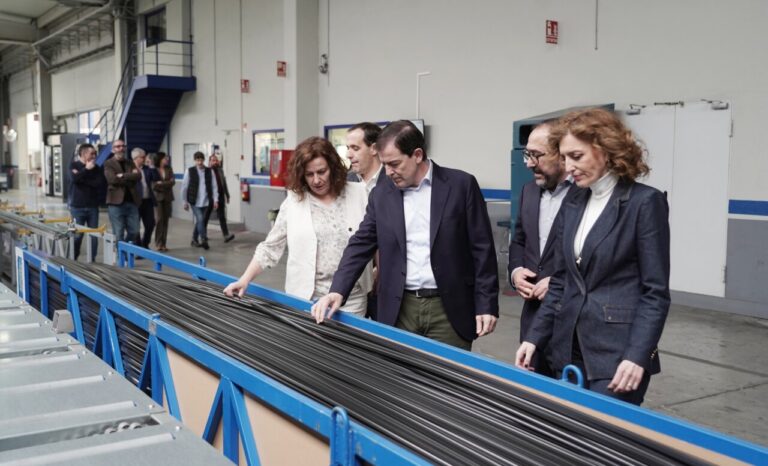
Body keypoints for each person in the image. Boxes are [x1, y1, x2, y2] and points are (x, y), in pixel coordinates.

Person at [515, 108, 670, 406]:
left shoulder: (644, 203)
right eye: (564, 158)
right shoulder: (575, 200)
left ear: (607, 149)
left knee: (603, 431)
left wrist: (637, 356)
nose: (569, 167)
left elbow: (655, 293)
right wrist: (533, 338)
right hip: (567, 345)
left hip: (617, 354)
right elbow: (560, 281)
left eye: (577, 156)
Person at [311, 120, 499, 350]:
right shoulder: (382, 194)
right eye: (384, 164)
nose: (388, 172)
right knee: (399, 371)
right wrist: (337, 290)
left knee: (446, 371)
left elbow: (482, 249)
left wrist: (487, 304)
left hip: (449, 309)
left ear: (417, 155)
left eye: (395, 164)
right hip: (399, 307)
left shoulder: (461, 185)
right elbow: (360, 244)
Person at [224, 137, 372, 315]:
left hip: (351, 298)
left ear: (333, 167)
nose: (316, 180)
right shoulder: (294, 202)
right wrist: (244, 280)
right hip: (307, 297)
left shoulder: (359, 193)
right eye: (309, 174)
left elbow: (374, 238)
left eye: (322, 172)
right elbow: (270, 248)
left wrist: (378, 273)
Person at [508, 122, 576, 376]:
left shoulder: (585, 195)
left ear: (562, 154)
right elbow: (519, 241)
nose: (529, 163)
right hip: (534, 317)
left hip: (572, 321)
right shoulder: (529, 191)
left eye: (536, 155)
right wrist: (516, 272)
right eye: (527, 154)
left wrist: (560, 281)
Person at [69, 143, 105, 260]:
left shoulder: (97, 168)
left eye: (95, 153)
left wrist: (82, 178)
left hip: (92, 207)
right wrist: (86, 170)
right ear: (83, 154)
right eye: (92, 154)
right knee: (77, 235)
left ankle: (92, 259)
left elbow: (98, 183)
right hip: (77, 207)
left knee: (93, 235)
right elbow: (74, 179)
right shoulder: (73, 165)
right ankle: (73, 258)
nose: (94, 156)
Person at [104, 139, 141, 243]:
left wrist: (123, 175)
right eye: (118, 146)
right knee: (118, 233)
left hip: (132, 202)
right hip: (116, 203)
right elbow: (112, 179)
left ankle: (123, 248)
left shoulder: (130, 162)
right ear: (113, 150)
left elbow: (138, 176)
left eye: (123, 146)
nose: (121, 148)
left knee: (135, 231)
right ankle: (120, 252)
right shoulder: (108, 163)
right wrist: (130, 178)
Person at [181, 151, 218, 250]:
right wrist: (184, 201)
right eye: (197, 160)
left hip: (206, 201)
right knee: (200, 219)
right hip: (194, 201)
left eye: (201, 160)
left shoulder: (210, 171)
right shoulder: (189, 171)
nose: (200, 162)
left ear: (204, 160)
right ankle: (204, 239)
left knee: (200, 221)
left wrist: (216, 200)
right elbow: (184, 187)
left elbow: (214, 186)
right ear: (195, 161)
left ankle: (194, 239)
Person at [204, 153, 235, 243]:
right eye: (213, 160)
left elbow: (224, 183)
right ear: (209, 162)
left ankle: (226, 235)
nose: (215, 162)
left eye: (216, 160)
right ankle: (203, 235)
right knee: (206, 216)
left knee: (222, 216)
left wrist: (227, 195)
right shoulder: (207, 171)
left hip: (220, 195)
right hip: (210, 197)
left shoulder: (220, 170)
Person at [346, 122, 383, 194]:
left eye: (355, 148)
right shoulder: (345, 182)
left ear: (374, 148)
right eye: (348, 148)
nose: (348, 155)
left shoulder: (393, 179)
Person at [132, 148, 159, 248]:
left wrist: (152, 166)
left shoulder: (147, 168)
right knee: (135, 226)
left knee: (150, 224)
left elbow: (156, 178)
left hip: (147, 201)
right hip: (135, 202)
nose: (145, 159)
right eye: (143, 157)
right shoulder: (129, 168)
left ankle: (145, 244)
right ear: (136, 158)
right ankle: (138, 247)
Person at [152, 152, 175, 251]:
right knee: (159, 220)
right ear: (160, 159)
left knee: (166, 220)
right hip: (158, 198)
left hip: (168, 197)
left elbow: (172, 182)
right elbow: (153, 185)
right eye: (165, 158)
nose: (167, 159)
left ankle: (163, 244)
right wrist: (166, 184)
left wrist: (161, 183)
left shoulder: (169, 169)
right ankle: (158, 243)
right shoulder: (153, 170)